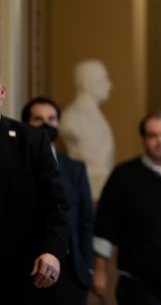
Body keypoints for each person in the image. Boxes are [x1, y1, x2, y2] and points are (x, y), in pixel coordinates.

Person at [92, 110, 161, 305]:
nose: (160, 141)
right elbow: (104, 229)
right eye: (153, 135)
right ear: (143, 139)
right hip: (139, 288)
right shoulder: (123, 176)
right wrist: (99, 272)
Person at [0, 82, 70, 304]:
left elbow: (57, 204)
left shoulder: (31, 139)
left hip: (21, 272)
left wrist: (53, 252)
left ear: (2, 92)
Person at [21, 96, 94, 305]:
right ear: (26, 123)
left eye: (51, 119)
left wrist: (87, 267)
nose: (46, 124)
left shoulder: (75, 168)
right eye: (38, 119)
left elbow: (86, 220)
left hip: (72, 273)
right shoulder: (18, 161)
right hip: (32, 270)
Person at [59, 59, 114, 199]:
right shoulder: (72, 117)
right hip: (88, 185)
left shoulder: (95, 115)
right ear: (87, 83)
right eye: (103, 80)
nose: (109, 85)